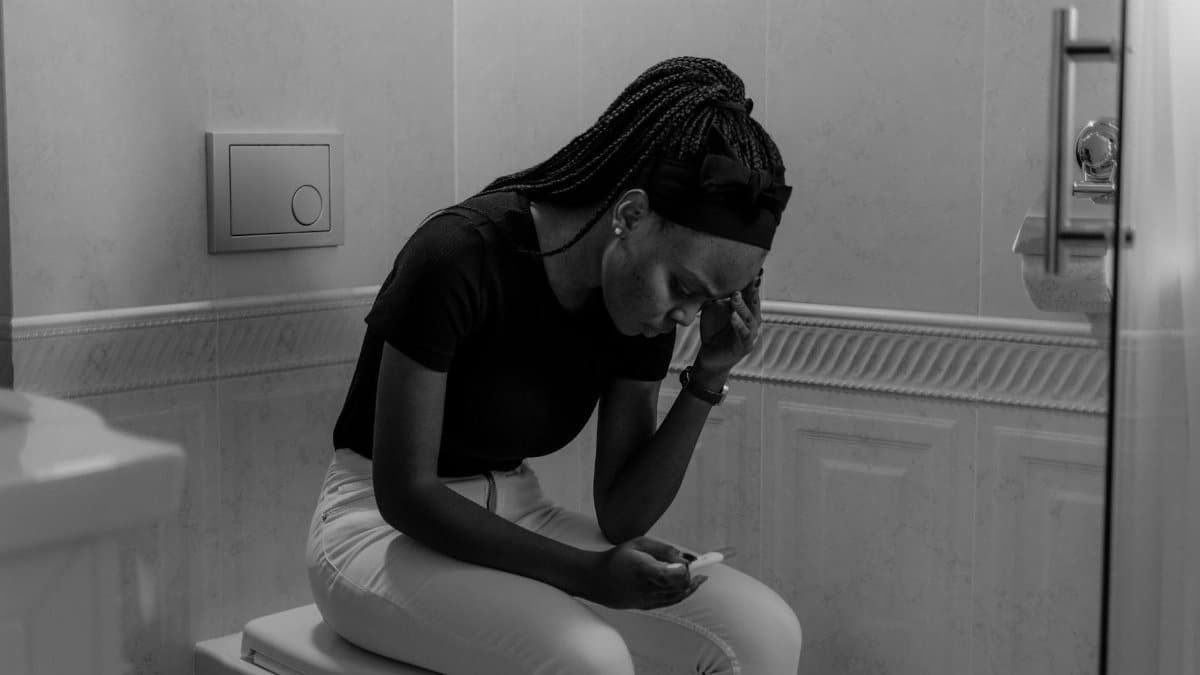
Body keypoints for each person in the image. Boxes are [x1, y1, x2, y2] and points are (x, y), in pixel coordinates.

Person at [307, 56, 803, 674]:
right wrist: (588, 574)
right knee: (588, 660)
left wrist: (707, 375)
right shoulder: (457, 255)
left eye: (705, 300)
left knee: (764, 632)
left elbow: (622, 513)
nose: (684, 316)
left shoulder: (636, 302)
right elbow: (405, 495)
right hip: (374, 533)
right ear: (629, 216)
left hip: (519, 513)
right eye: (683, 287)